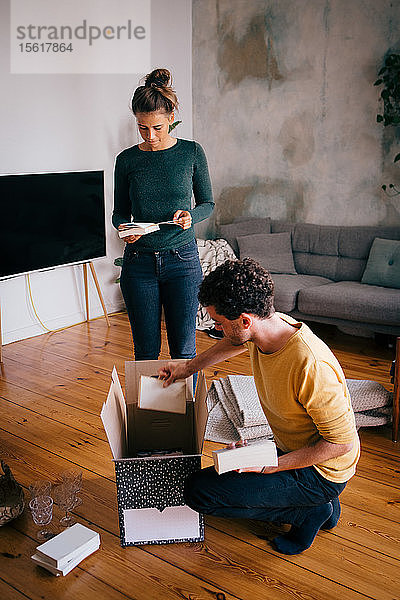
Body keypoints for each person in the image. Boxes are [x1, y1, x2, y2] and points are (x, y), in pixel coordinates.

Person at [159, 258, 360, 555]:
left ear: (244, 321)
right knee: (216, 474)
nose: (215, 327)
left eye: (219, 322)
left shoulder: (310, 365)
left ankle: (308, 512)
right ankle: (321, 508)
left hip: (323, 470)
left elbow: (341, 443)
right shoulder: (267, 325)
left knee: (198, 493)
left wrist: (266, 465)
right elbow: (235, 342)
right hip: (292, 448)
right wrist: (188, 367)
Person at [112, 68, 214, 361]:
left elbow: (208, 203)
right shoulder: (127, 160)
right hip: (138, 264)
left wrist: (191, 217)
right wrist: (124, 228)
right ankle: (148, 409)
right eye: (142, 128)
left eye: (157, 127)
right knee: (145, 352)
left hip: (182, 262)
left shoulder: (191, 153)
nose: (150, 136)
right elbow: (120, 212)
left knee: (184, 351)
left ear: (171, 118)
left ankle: (187, 408)